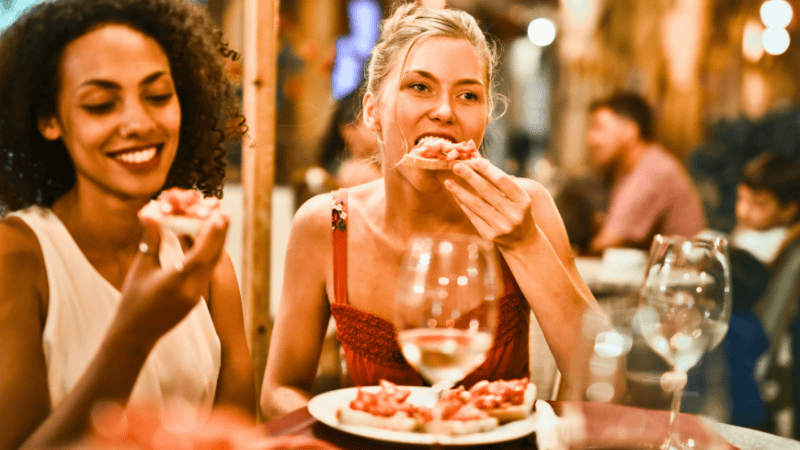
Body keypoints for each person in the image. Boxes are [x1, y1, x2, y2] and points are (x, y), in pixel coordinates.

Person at [261, 2, 601, 419]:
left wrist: (524, 242)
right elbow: (280, 389)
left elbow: (602, 379)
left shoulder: (527, 207)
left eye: (468, 95)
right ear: (372, 112)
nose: (445, 110)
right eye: (419, 87)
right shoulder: (328, 224)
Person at [0, 0, 256, 448]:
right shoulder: (17, 257)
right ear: (49, 120)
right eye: (100, 104)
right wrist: (133, 335)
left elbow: (238, 436)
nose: (138, 122)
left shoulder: (206, 263)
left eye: (158, 96)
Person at [585, 91, 706, 255]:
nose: (590, 138)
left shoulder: (653, 171)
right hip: (664, 271)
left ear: (629, 130)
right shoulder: (630, 168)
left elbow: (609, 241)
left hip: (682, 274)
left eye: (598, 127)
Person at [731, 152, 800, 265]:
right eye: (741, 198)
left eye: (758, 204)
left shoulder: (783, 248)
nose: (744, 211)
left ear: (788, 210)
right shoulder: (751, 228)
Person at [318, 91, 382, 188]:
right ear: (348, 131)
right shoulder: (356, 172)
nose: (380, 128)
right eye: (372, 120)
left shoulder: (370, 166)